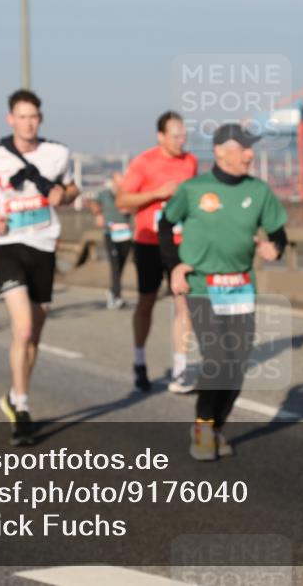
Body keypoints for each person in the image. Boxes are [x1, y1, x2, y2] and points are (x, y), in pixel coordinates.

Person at [161, 123, 288, 460]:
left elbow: (279, 232)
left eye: (250, 148)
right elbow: (165, 224)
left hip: (241, 286)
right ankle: (202, 427)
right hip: (202, 284)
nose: (249, 154)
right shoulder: (193, 189)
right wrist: (174, 265)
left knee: (236, 364)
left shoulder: (259, 191)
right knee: (216, 358)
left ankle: (216, 427)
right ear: (219, 151)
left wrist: (275, 248)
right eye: (242, 147)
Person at [0, 89, 79, 446]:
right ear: (10, 119)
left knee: (36, 335)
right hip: (7, 245)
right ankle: (23, 411)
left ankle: (14, 395)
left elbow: (72, 187)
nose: (28, 123)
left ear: (40, 119)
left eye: (34, 117)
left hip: (44, 245)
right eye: (22, 116)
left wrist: (65, 195)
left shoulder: (58, 153)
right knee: (24, 328)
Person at [116, 111, 198, 394]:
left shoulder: (190, 162)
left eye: (184, 135)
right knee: (146, 302)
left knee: (183, 302)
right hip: (149, 241)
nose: (181, 140)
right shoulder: (144, 162)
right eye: (175, 135)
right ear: (160, 136)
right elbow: (123, 201)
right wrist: (157, 193)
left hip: (180, 243)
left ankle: (180, 368)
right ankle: (139, 361)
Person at [89, 172, 133, 309]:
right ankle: (117, 296)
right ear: (113, 181)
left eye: (122, 181)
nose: (120, 184)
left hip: (126, 234)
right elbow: (94, 204)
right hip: (111, 233)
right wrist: (98, 214)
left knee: (121, 264)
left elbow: (137, 207)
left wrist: (130, 208)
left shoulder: (128, 194)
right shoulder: (105, 194)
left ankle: (112, 291)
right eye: (118, 181)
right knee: (114, 264)